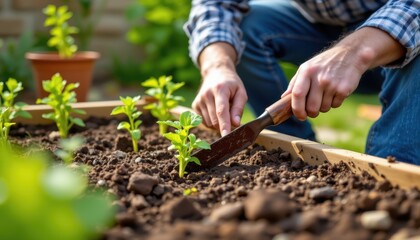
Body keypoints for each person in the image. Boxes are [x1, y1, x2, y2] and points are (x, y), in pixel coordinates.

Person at [183, 0, 419, 165]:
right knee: (246, 26)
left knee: (394, 164)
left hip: (404, 30)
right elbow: (215, 6)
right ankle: (297, 154)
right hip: (325, 30)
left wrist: (354, 52)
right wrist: (217, 66)